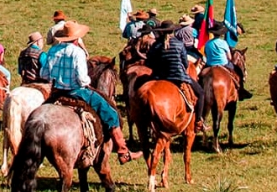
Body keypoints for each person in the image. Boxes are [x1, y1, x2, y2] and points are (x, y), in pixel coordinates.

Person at [39, 20, 142, 165]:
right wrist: (87, 80)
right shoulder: (77, 52)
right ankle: (123, 150)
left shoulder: (52, 51)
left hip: (56, 93)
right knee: (110, 112)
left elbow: (44, 74)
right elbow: (82, 79)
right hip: (77, 92)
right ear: (76, 38)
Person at [145, 20, 209, 132]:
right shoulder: (179, 44)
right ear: (173, 31)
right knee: (201, 93)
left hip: (160, 77)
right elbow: (184, 63)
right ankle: (198, 121)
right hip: (179, 77)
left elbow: (149, 62)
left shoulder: (156, 45)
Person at [205, 22, 252, 100]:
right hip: (223, 64)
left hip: (209, 64)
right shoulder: (223, 43)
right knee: (238, 71)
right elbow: (229, 57)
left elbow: (206, 54)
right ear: (221, 34)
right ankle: (241, 91)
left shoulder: (207, 43)